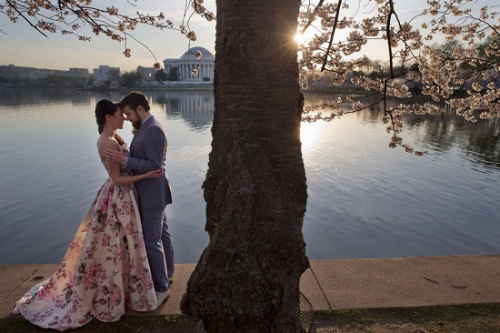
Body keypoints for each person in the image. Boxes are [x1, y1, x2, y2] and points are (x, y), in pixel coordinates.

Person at [12, 99, 163, 331]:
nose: (124, 118)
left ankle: (124, 291)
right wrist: (145, 176)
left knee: (121, 246)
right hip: (118, 197)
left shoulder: (113, 139)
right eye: (119, 115)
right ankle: (114, 295)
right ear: (108, 117)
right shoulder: (106, 142)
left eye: (125, 114)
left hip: (122, 197)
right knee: (116, 245)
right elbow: (117, 179)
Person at [106, 91, 173, 305]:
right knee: (162, 235)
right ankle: (168, 274)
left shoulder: (152, 130)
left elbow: (155, 166)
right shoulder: (145, 127)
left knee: (151, 241)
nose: (126, 118)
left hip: (152, 194)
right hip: (153, 192)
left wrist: (125, 162)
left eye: (128, 113)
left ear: (140, 109)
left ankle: (161, 287)